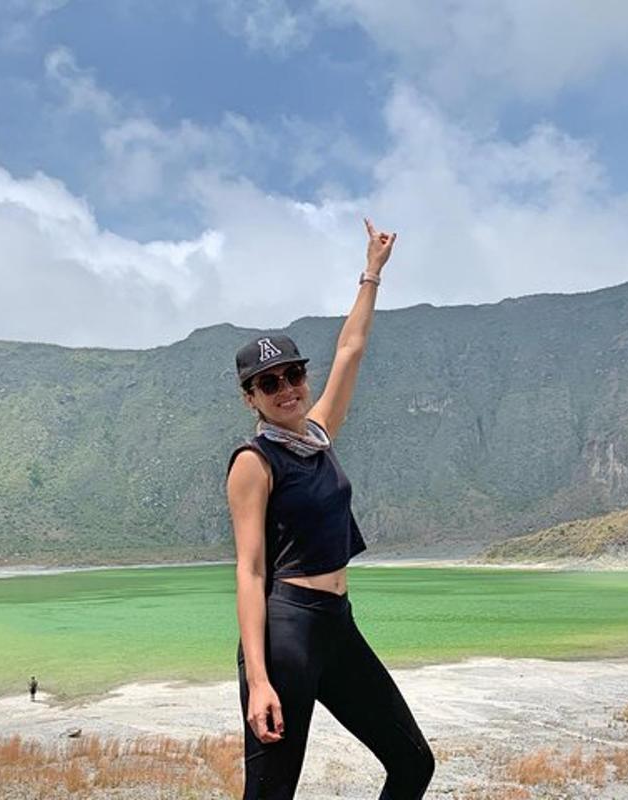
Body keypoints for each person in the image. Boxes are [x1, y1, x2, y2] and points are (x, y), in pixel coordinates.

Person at [225, 219, 435, 799]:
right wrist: (259, 679)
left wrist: (372, 271)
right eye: (270, 383)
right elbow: (249, 570)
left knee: (413, 763)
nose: (287, 388)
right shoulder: (253, 460)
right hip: (286, 632)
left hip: (337, 626)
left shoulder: (318, 433)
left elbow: (351, 347)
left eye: (293, 374)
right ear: (251, 398)